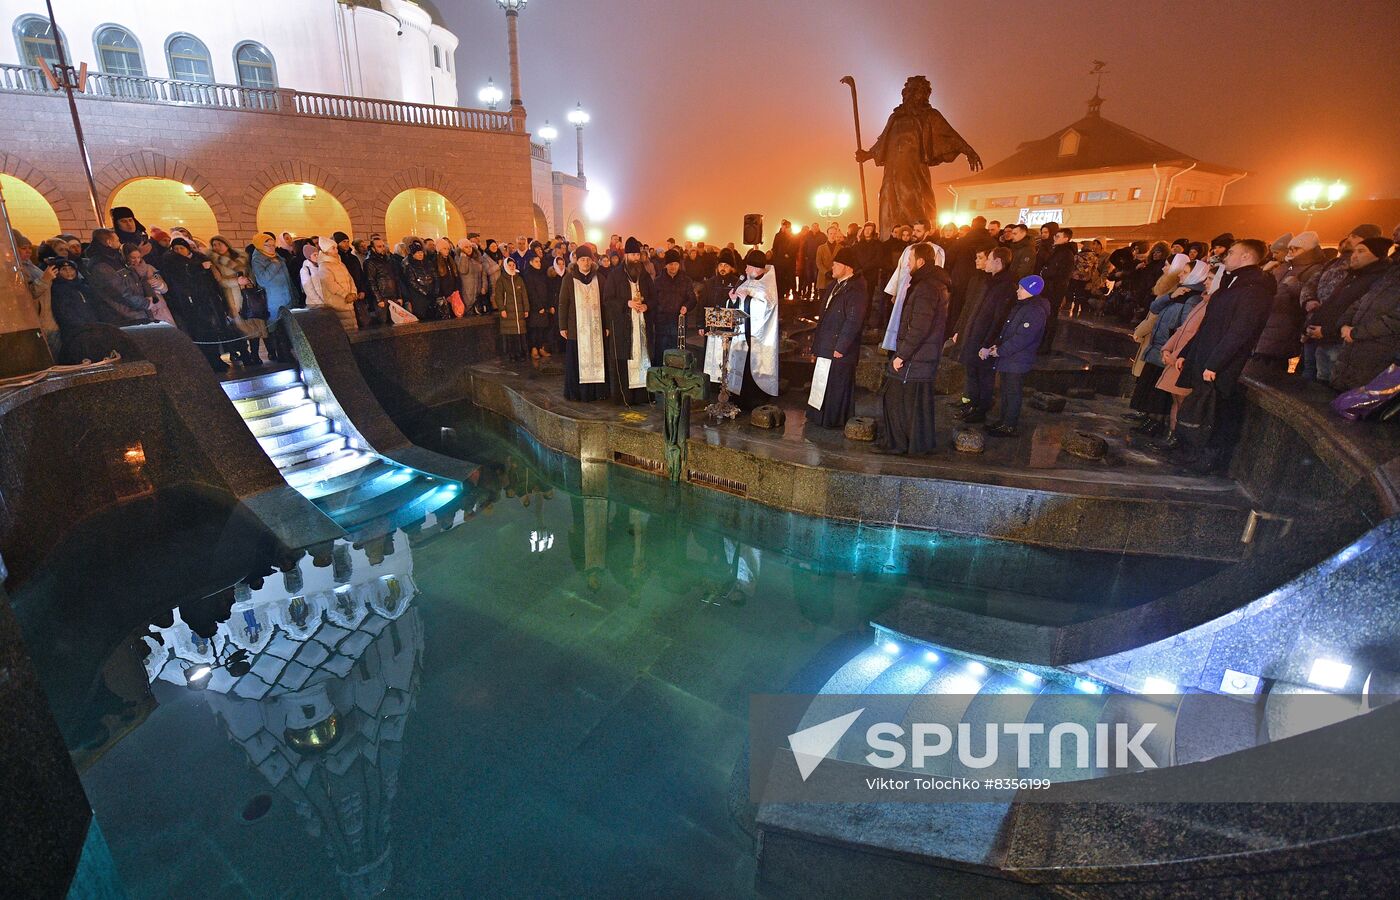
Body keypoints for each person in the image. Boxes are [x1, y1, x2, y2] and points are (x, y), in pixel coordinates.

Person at [1170, 239, 1275, 473]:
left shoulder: (1255, 289)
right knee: (1200, 407)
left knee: (1214, 413)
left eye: (1232, 252)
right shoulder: (1233, 285)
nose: (1226, 256)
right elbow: (1208, 325)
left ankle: (1207, 459)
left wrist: (1215, 363)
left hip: (1221, 364)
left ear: (1247, 257)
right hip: (1205, 356)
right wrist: (1188, 352)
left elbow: (1240, 331)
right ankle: (1191, 452)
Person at [854, 74, 981, 233]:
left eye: (916, 91)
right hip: (892, 170)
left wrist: (968, 150)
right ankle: (889, 238)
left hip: (913, 168)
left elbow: (949, 134)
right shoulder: (895, 117)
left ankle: (918, 235)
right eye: (908, 91)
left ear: (923, 95)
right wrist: (868, 154)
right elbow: (883, 142)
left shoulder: (929, 115)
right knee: (888, 201)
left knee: (913, 199)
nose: (911, 94)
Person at [875, 243, 950, 454]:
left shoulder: (926, 288)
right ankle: (915, 445)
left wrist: (901, 356)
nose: (906, 263)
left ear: (921, 261)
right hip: (921, 358)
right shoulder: (932, 284)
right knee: (914, 404)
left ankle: (898, 444)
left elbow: (919, 327)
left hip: (915, 359)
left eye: (910, 259)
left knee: (896, 400)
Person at [1305, 236, 1390, 384]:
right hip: (1324, 339)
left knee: (1330, 389)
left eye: (1361, 251)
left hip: (1340, 344)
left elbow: (1355, 312)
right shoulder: (1353, 276)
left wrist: (1327, 331)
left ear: (1377, 255)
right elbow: (1330, 305)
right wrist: (1308, 328)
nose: (1354, 255)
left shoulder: (1378, 281)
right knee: (1317, 385)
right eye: (1354, 251)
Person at [703, 248, 780, 410]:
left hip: (756, 337)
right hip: (742, 334)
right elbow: (738, 306)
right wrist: (733, 300)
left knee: (751, 370)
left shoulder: (766, 285)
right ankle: (739, 399)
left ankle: (754, 401)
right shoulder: (748, 281)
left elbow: (765, 308)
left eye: (748, 267)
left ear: (756, 268)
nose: (745, 270)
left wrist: (746, 299)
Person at [805, 246, 869, 429]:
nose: (832, 267)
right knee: (822, 382)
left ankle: (833, 420)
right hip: (826, 344)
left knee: (837, 385)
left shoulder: (856, 289)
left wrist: (841, 346)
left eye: (836, 264)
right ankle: (819, 417)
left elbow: (853, 320)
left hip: (839, 348)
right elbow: (824, 316)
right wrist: (817, 345)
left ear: (848, 267)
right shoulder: (835, 285)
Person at [954, 247, 1017, 423]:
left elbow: (999, 319)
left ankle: (980, 409)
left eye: (989, 259)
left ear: (998, 262)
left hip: (984, 339)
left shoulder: (1005, 287)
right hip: (975, 335)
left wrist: (988, 343)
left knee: (984, 376)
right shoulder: (990, 282)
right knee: (973, 373)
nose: (986, 262)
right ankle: (972, 405)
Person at [982, 275, 1049, 436]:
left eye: (1021, 288)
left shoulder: (1034, 311)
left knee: (1012, 392)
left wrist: (1000, 350)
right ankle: (1003, 421)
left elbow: (1022, 338)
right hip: (1010, 358)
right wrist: (996, 345)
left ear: (1031, 290)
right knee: (1006, 391)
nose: (1017, 291)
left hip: (1018, 359)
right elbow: (1008, 331)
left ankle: (1009, 425)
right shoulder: (1022, 307)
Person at [160, 237, 235, 371]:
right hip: (191, 303)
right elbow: (182, 280)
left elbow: (211, 280)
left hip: (209, 300)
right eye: (175, 249)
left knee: (213, 331)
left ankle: (217, 359)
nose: (178, 251)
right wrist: (199, 268)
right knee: (201, 333)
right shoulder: (173, 263)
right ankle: (209, 362)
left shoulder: (199, 258)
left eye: (181, 248)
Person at [1252, 231, 1325, 370]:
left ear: (1308, 250)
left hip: (1286, 326)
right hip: (1267, 323)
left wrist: (1295, 286)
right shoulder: (1284, 267)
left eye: (1296, 249)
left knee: (1271, 369)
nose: (1291, 252)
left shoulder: (1314, 269)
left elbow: (1311, 296)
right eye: (1290, 248)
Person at [1333, 253, 1400, 391]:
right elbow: (1361, 302)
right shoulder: (1390, 275)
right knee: (1339, 393)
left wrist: (1355, 333)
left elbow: (1395, 320)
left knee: (1360, 399)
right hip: (1354, 347)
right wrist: (1344, 324)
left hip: (1379, 352)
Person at [603, 237, 656, 406]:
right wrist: (627, 303)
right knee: (625, 360)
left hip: (642, 325)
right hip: (623, 327)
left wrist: (647, 306)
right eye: (632, 254)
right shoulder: (615, 275)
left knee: (643, 358)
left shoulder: (645, 275)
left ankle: (643, 396)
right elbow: (608, 299)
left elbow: (655, 298)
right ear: (625, 255)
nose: (635, 258)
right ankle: (625, 397)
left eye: (637, 254)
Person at [557, 246, 609, 402]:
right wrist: (562, 326)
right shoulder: (568, 278)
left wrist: (607, 325)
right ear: (576, 261)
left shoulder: (599, 278)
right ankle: (577, 393)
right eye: (582, 259)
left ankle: (597, 392)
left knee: (597, 359)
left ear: (592, 261)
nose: (585, 262)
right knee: (576, 361)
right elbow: (563, 303)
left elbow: (605, 304)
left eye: (588, 259)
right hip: (576, 329)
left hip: (595, 328)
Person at [209, 235, 266, 364]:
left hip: (248, 293)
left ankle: (256, 355)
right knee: (240, 327)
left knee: (254, 324)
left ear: (226, 243)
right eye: (214, 245)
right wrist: (236, 281)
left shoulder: (242, 257)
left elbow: (250, 272)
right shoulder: (215, 262)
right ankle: (245, 355)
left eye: (219, 243)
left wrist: (250, 282)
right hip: (232, 296)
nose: (216, 247)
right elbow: (219, 281)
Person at [81, 228, 154, 327]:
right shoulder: (102, 265)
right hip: (126, 315)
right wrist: (144, 303)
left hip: (135, 311)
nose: (120, 243)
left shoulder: (114, 259)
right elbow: (120, 292)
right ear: (109, 242)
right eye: (117, 240)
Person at [250, 233, 294, 362]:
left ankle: (289, 353)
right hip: (273, 300)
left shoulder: (277, 257)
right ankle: (282, 356)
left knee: (288, 328)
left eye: (272, 245)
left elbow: (287, 279)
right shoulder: (258, 260)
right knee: (276, 328)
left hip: (286, 298)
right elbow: (263, 280)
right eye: (267, 245)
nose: (271, 248)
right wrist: (274, 264)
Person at [651, 247, 693, 362]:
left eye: (675, 264)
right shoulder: (658, 281)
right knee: (661, 353)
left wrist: (686, 306)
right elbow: (653, 301)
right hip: (662, 323)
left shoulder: (686, 280)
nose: (673, 266)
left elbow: (692, 299)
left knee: (677, 354)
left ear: (679, 265)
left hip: (678, 322)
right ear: (666, 265)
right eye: (670, 264)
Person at [311, 235, 359, 332]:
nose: (336, 251)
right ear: (326, 250)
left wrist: (353, 292)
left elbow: (350, 279)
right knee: (343, 330)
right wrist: (345, 294)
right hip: (338, 303)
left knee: (353, 329)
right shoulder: (324, 266)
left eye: (336, 248)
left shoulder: (340, 264)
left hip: (349, 302)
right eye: (333, 248)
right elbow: (330, 284)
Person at [522, 252, 554, 359]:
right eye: (536, 261)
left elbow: (547, 289)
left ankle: (540, 347)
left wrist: (547, 305)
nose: (539, 263)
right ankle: (534, 349)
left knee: (542, 329)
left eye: (539, 261)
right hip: (535, 308)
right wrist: (539, 306)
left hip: (544, 306)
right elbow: (531, 292)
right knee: (534, 329)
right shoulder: (528, 275)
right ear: (530, 263)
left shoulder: (541, 273)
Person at [362, 237, 400, 326]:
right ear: (372, 248)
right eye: (379, 246)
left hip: (392, 296)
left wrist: (399, 296)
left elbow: (396, 278)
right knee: (383, 323)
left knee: (395, 321)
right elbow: (371, 281)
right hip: (381, 298)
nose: (382, 248)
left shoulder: (389, 260)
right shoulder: (370, 262)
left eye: (383, 246)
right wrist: (378, 299)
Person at [400, 240, 438, 320]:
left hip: (431, 292)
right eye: (417, 253)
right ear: (413, 254)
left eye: (421, 252)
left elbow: (435, 277)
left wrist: (435, 290)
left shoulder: (428, 263)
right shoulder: (409, 266)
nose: (420, 254)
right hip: (419, 296)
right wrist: (425, 292)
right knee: (421, 316)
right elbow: (412, 282)